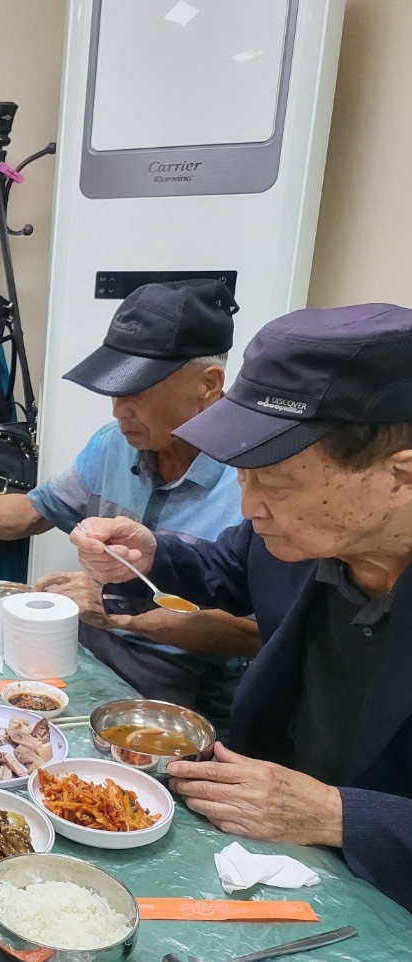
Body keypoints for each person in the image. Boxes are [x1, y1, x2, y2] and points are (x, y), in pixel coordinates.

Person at [71, 303, 412, 912]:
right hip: (260, 834)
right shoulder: (306, 534)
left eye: (275, 486)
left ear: (400, 477)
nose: (248, 506)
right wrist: (149, 556)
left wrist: (341, 816)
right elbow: (233, 566)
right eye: (242, 477)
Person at [0, 281, 261, 731]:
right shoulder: (112, 445)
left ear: (208, 384)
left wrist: (115, 610)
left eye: (137, 392)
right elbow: (36, 511)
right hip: (87, 651)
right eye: (113, 390)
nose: (118, 410)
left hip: (181, 691)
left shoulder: (254, 482)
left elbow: (253, 636)